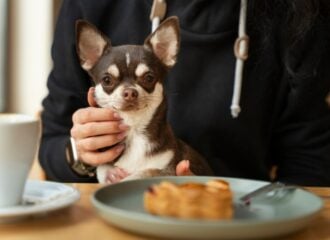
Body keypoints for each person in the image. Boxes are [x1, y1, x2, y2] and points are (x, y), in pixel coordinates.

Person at [39, 0, 330, 185]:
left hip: (241, 219)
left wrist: (246, 211)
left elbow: (311, 162)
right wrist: (81, 154)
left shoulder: (301, 14)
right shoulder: (92, 6)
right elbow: (51, 145)